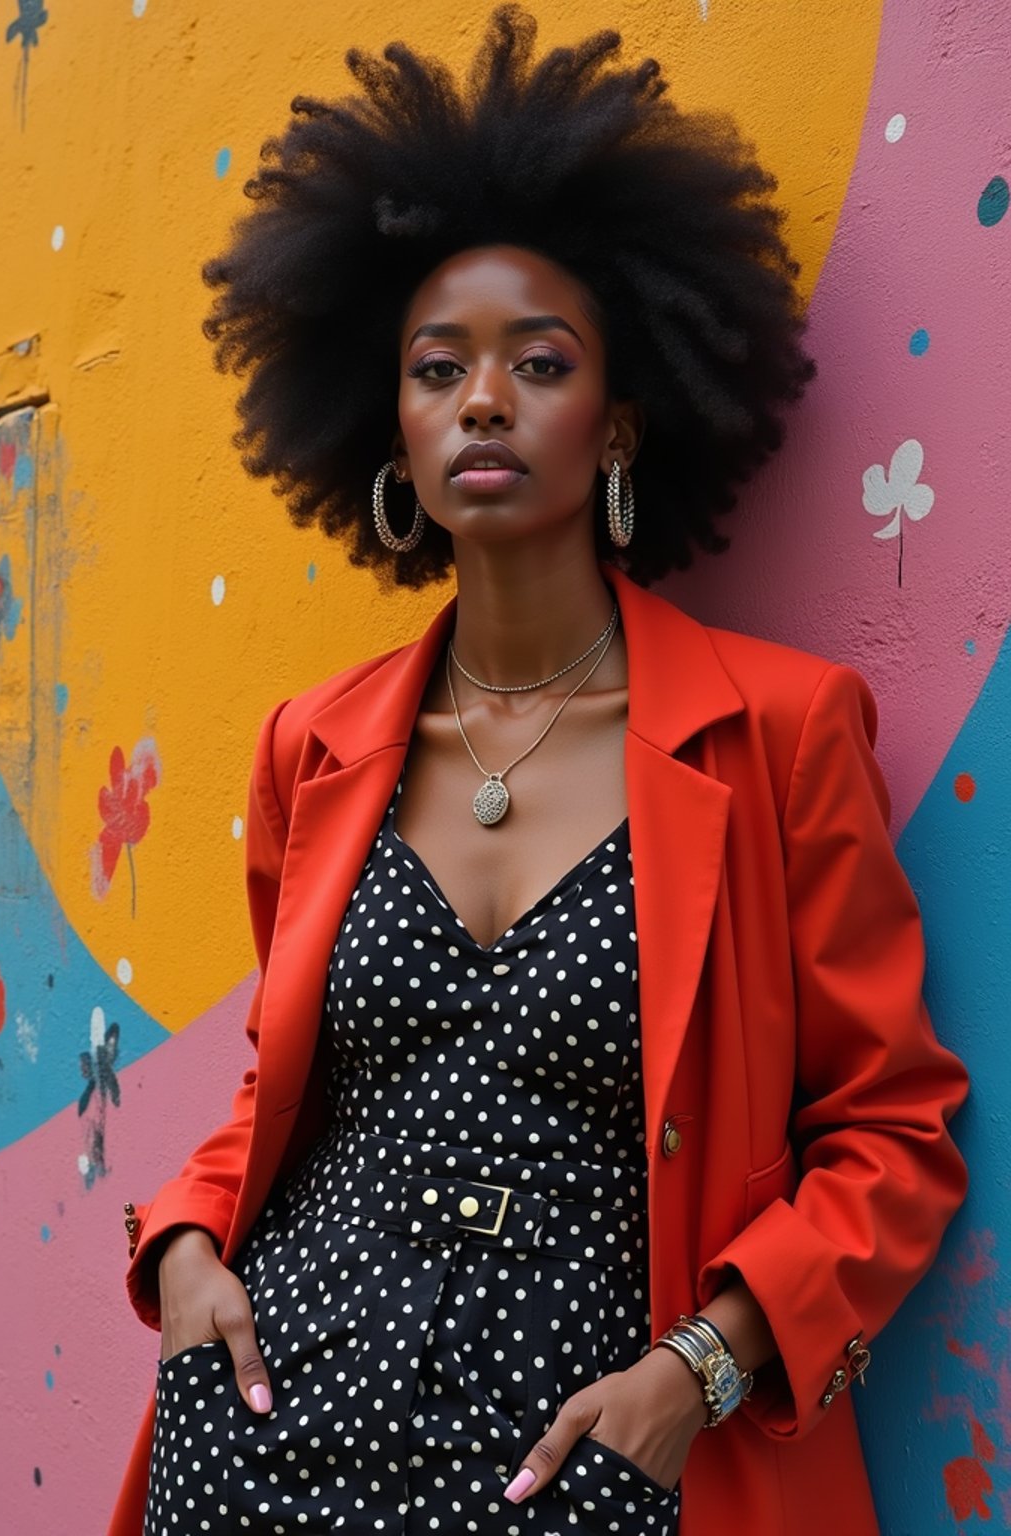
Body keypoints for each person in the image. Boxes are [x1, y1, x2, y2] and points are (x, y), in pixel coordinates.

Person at [109, 8, 970, 1534]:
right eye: (440, 370)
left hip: (598, 1462)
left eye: (539, 362)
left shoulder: (778, 732)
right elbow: (288, 1082)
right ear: (393, 430)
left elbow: (892, 1134)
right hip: (277, 1429)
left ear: (619, 423)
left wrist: (694, 1371)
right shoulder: (319, 746)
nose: (484, 399)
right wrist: (181, 1253)